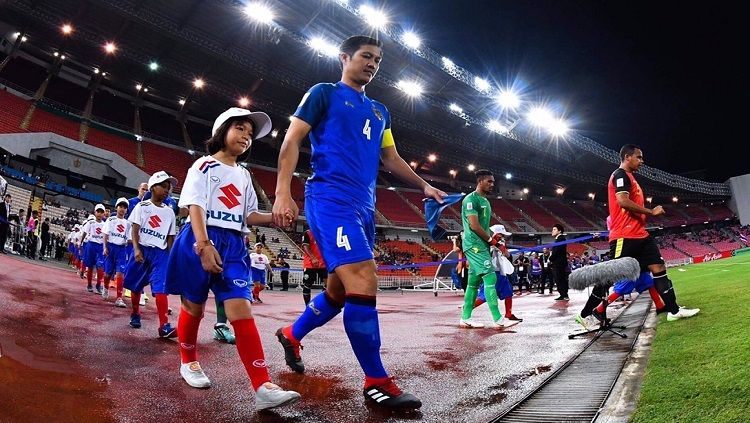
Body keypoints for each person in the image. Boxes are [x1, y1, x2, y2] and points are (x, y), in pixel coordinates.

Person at [272, 35, 446, 410]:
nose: (372, 64)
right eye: (366, 56)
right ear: (345, 57)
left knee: (338, 292)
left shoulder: (381, 110)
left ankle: (291, 333)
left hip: (364, 206)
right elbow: (292, 140)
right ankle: (376, 381)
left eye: (378, 60)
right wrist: (282, 192)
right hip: (330, 199)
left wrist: (425, 185)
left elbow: (391, 158)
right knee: (364, 278)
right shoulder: (323, 93)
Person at [165, 107, 300, 410]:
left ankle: (262, 384)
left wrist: (276, 218)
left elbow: (249, 215)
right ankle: (188, 361)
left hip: (235, 245)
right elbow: (195, 206)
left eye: (250, 134)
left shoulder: (245, 175)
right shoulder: (204, 166)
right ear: (222, 130)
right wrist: (203, 245)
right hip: (201, 237)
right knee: (193, 306)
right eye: (240, 129)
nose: (246, 137)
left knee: (242, 309)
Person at [576, 144, 700, 325]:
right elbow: (623, 201)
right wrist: (651, 212)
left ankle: (674, 310)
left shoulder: (631, 178)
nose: (642, 161)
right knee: (609, 278)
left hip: (641, 235)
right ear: (627, 157)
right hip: (624, 237)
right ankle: (585, 314)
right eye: (639, 157)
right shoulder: (620, 175)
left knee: (658, 268)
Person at [458, 169, 518, 330]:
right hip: (474, 245)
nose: (493, 184)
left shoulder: (486, 201)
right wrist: (495, 243)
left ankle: (465, 318)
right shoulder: (470, 200)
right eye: (489, 181)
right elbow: (474, 225)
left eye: (493, 181)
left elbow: (484, 227)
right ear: (480, 181)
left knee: (472, 284)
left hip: (482, 245)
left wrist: (497, 240)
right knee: (491, 278)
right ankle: (499, 320)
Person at [124, 171, 177, 337]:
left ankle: (164, 326)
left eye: (168, 188)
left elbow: (170, 236)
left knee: (161, 287)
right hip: (142, 249)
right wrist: (136, 249)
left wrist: (171, 258)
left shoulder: (169, 212)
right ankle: (135, 313)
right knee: (136, 286)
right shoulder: (142, 206)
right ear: (153, 187)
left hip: (160, 254)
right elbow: (135, 228)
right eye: (163, 186)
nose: (167, 190)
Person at [472, 224, 522, 321]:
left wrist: (502, 248)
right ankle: (468, 308)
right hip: (491, 272)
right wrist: (494, 245)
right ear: (496, 233)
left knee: (508, 293)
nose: (502, 237)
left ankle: (508, 313)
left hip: (502, 272)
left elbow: (507, 256)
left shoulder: (501, 243)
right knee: (484, 296)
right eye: (501, 235)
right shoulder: (485, 242)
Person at [102, 197, 131, 307]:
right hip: (111, 248)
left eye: (124, 207)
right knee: (107, 273)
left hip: (121, 250)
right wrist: (105, 247)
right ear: (116, 207)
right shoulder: (111, 220)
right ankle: (105, 287)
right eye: (120, 206)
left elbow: (129, 239)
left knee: (120, 273)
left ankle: (119, 298)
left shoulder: (128, 224)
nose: (122, 209)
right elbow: (105, 234)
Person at [80, 206, 107, 292]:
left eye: (101, 212)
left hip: (100, 247)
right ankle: (89, 284)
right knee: (90, 266)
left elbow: (106, 236)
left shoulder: (105, 224)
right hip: (91, 245)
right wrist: (80, 242)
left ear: (103, 214)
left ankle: (99, 285)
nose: (99, 214)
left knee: (100, 266)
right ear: (95, 212)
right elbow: (84, 233)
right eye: (98, 212)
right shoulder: (91, 223)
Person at [300, 228, 327, 306]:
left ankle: (323, 305)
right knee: (307, 285)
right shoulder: (308, 233)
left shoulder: (324, 232)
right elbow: (305, 246)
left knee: (328, 285)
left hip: (323, 263)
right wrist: (313, 258)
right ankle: (307, 306)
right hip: (310, 264)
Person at [549, 224, 569, 301]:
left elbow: (557, 251)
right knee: (559, 278)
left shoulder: (561, 239)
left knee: (560, 278)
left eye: (554, 229)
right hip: (557, 262)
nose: (552, 231)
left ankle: (564, 294)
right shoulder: (558, 239)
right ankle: (563, 294)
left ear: (559, 231)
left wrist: (550, 259)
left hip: (559, 262)